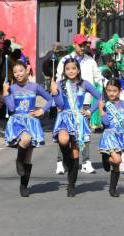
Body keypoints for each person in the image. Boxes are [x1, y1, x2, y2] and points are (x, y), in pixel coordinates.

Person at [51, 58, 101, 197]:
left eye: (73, 68)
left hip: (79, 118)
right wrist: (55, 93)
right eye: (68, 69)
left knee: (75, 151)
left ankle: (71, 185)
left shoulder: (84, 84)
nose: (71, 71)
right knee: (63, 139)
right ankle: (66, 161)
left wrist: (90, 110)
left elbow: (100, 97)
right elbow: (60, 105)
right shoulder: (60, 84)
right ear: (64, 71)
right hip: (65, 117)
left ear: (78, 69)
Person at [55, 34, 103, 174]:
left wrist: (107, 83)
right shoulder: (65, 60)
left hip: (84, 102)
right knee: (63, 134)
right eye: (80, 45)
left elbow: (98, 79)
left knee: (84, 133)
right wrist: (57, 101)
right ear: (74, 44)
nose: (82, 47)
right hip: (67, 104)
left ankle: (86, 161)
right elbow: (58, 80)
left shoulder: (90, 61)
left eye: (84, 45)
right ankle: (60, 161)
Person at [3, 60, 52, 197]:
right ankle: (18, 161)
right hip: (18, 121)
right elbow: (12, 108)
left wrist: (42, 110)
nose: (18, 74)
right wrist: (6, 94)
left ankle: (23, 185)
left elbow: (50, 99)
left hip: (31, 122)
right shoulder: (11, 88)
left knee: (28, 157)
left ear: (27, 70)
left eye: (20, 71)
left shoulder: (35, 86)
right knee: (25, 139)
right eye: (15, 72)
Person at [98, 79, 124, 197]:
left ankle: (113, 188)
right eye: (109, 90)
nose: (111, 93)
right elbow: (105, 123)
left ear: (119, 91)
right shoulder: (105, 104)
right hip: (109, 135)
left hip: (120, 136)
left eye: (114, 91)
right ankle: (106, 158)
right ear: (106, 91)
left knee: (116, 164)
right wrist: (101, 109)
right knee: (117, 160)